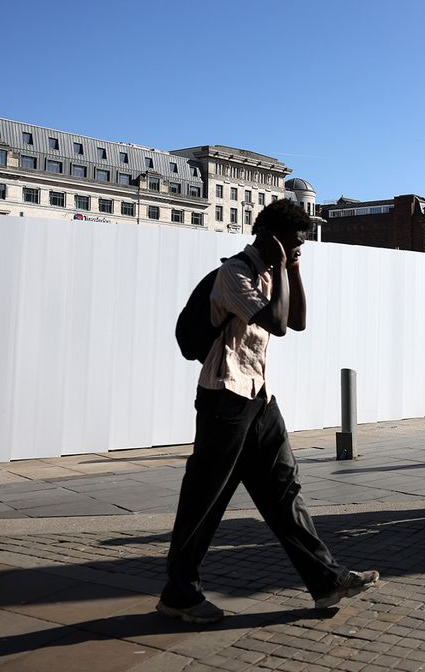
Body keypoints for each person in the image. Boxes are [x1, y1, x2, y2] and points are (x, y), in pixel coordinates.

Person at [159, 200, 378, 623]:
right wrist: (281, 267)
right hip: (224, 397)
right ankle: (179, 593)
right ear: (272, 237)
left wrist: (291, 269)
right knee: (205, 498)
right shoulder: (235, 274)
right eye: (296, 241)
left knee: (284, 491)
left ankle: (326, 580)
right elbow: (275, 323)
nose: (302, 246)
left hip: (259, 396)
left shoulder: (271, 272)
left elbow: (298, 322)